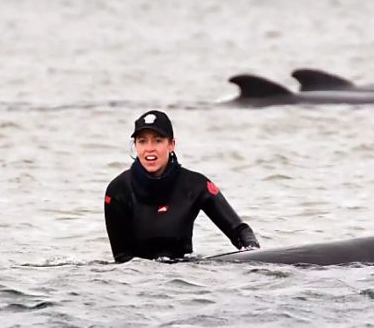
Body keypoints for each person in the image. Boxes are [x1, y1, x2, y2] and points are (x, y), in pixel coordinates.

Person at [104, 110, 260, 262]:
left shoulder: (195, 185)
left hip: (184, 278)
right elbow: (122, 260)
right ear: (136, 146)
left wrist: (254, 254)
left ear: (171, 144)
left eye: (158, 140)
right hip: (137, 282)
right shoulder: (118, 190)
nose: (149, 148)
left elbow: (239, 231)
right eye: (142, 141)